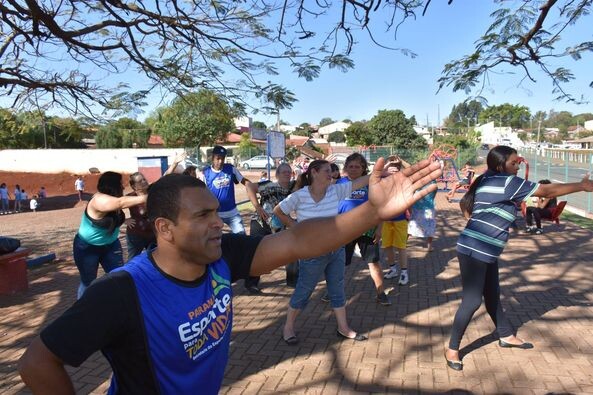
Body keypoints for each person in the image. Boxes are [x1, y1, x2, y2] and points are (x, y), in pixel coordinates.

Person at [18, 158, 442, 394]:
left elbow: (299, 241)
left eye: (216, 213)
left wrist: (370, 211)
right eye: (202, 216)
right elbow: (38, 362)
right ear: (164, 229)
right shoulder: (123, 291)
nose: (219, 223)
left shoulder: (223, 258)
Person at [445, 145, 593, 371]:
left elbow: (468, 207)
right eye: (513, 163)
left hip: (485, 250)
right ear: (499, 165)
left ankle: (505, 335)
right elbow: (546, 192)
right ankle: (452, 348)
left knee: (493, 295)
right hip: (475, 250)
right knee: (473, 301)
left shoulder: (486, 180)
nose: (517, 167)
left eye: (518, 163)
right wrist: (581, 186)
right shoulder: (507, 183)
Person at [274, 159, 371, 344]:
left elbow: (361, 181)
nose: (331, 174)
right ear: (314, 172)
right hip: (312, 253)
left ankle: (343, 328)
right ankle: (288, 327)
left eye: (331, 171)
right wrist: (295, 227)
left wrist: (381, 172)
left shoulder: (335, 191)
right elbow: (279, 211)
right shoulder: (300, 196)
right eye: (327, 171)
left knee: (337, 289)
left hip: (336, 250)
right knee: (304, 290)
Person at [72, 172, 146, 299]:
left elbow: (114, 217)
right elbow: (120, 203)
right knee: (88, 282)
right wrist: (149, 197)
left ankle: (119, 307)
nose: (123, 188)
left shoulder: (113, 199)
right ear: (112, 186)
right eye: (120, 185)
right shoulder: (98, 200)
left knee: (119, 277)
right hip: (87, 248)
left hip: (111, 245)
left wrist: (125, 220)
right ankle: (83, 310)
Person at [337, 153, 391, 305]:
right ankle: (333, 291)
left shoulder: (371, 184)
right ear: (346, 168)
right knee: (339, 264)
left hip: (367, 229)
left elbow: (380, 207)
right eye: (351, 166)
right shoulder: (338, 184)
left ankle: (381, 292)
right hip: (343, 230)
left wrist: (380, 228)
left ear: (363, 169)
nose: (354, 169)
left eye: (357, 166)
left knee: (373, 262)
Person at [244, 163, 295, 293]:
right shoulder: (268, 185)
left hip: (280, 225)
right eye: (284, 172)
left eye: (289, 172)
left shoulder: (294, 188)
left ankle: (293, 280)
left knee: (291, 250)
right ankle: (251, 283)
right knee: (255, 253)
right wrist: (257, 207)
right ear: (277, 174)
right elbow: (249, 186)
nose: (287, 174)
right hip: (261, 223)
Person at [200, 145, 252, 234]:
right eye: (218, 158)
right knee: (214, 239)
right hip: (215, 214)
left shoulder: (230, 169)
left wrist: (254, 186)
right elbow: (201, 193)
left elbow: (244, 181)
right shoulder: (205, 173)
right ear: (212, 158)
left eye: (222, 159)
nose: (220, 161)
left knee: (241, 237)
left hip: (232, 213)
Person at [382, 156, 410, 285]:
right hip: (386, 219)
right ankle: (393, 269)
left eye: (395, 170)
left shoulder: (403, 180)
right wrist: (387, 165)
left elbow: (410, 170)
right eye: (390, 169)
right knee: (387, 245)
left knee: (401, 247)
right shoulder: (383, 179)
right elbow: (376, 174)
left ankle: (404, 272)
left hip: (400, 219)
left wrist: (400, 161)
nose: (392, 172)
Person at [408, 155, 439, 251]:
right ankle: (429, 246)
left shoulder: (427, 181)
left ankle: (404, 243)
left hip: (422, 206)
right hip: (423, 206)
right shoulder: (431, 182)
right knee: (424, 225)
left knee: (413, 224)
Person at [125, 172, 156, 259]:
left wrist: (174, 164)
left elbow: (164, 177)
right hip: (135, 235)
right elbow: (115, 207)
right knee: (133, 260)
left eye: (144, 179)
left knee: (155, 260)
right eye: (140, 181)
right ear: (134, 186)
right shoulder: (130, 197)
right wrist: (124, 220)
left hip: (152, 234)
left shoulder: (153, 190)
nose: (144, 182)